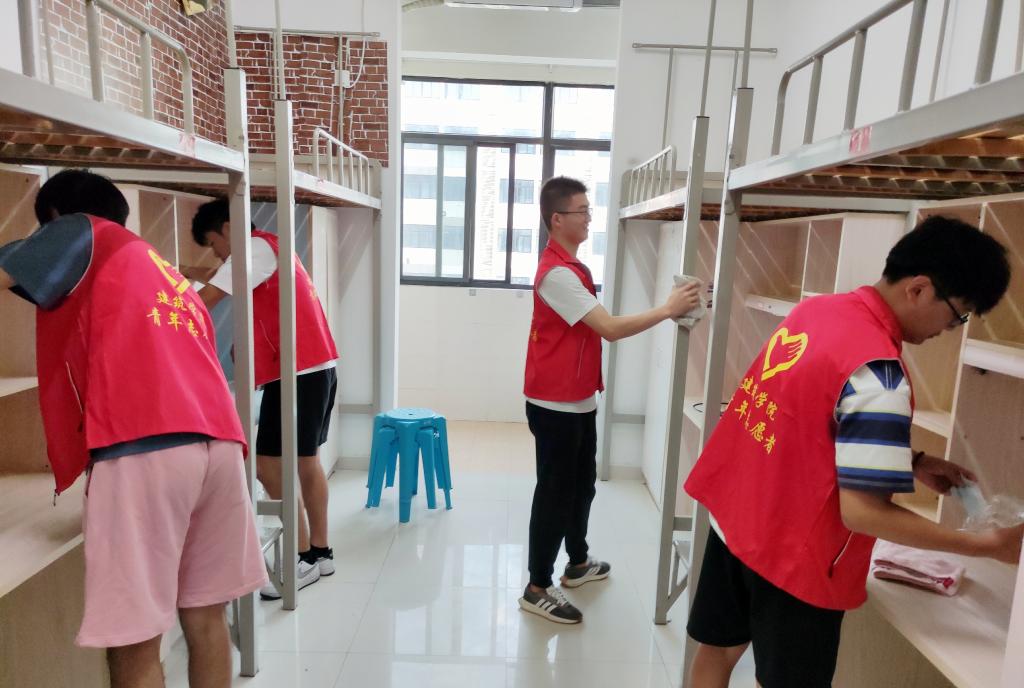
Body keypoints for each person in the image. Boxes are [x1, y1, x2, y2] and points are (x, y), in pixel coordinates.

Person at [683, 215, 1024, 687]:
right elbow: (863, 513)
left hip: (738, 518)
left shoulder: (817, 311)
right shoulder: (880, 372)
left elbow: (804, 419)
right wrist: (985, 546)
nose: (950, 329)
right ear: (919, 289)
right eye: (957, 315)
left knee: (717, 653)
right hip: (795, 555)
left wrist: (912, 462)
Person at [0, 169, 266, 688]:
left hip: (145, 450)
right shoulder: (155, 267)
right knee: (206, 618)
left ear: (57, 218)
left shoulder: (80, 231)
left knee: (135, 640)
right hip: (218, 446)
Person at [519, 176, 701, 623]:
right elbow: (611, 329)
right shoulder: (557, 274)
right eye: (582, 211)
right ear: (557, 219)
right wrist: (668, 309)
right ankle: (537, 586)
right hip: (555, 405)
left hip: (578, 399)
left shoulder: (571, 267)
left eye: (588, 210)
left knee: (582, 485)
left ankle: (577, 563)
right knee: (555, 494)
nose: (589, 218)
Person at [188, 199, 338, 600]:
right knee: (306, 461)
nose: (217, 254)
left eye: (213, 244)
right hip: (315, 367)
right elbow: (227, 283)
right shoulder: (270, 246)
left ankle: (300, 558)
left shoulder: (251, 249)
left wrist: (162, 306)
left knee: (269, 466)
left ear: (227, 228)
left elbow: (208, 297)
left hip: (296, 375)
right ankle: (320, 553)